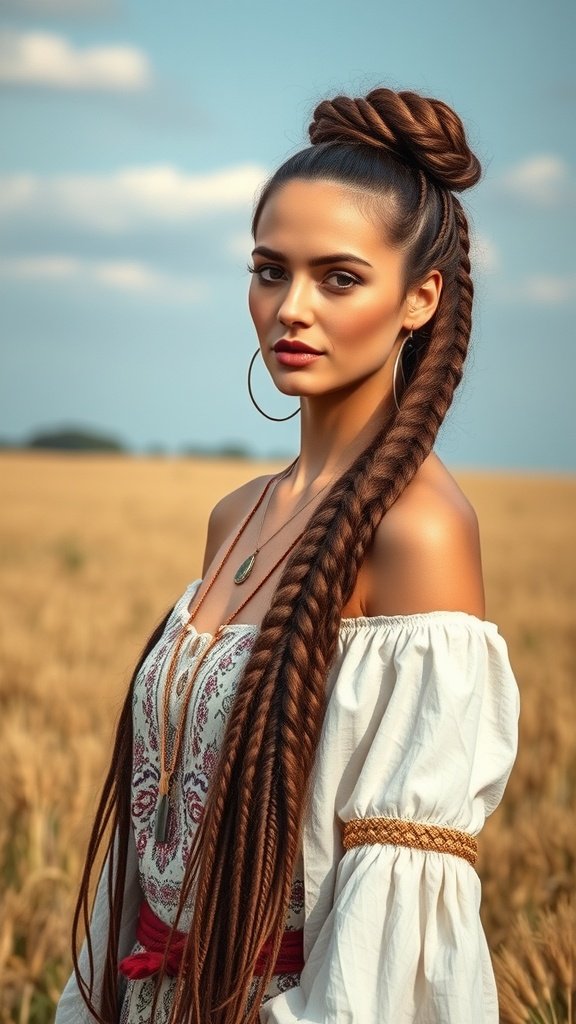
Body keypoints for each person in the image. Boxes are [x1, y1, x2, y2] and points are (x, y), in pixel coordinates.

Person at [55, 86, 520, 1024]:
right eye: (270, 270)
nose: (290, 308)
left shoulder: (417, 532)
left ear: (418, 298)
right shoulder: (237, 514)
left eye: (338, 278)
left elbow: (395, 910)